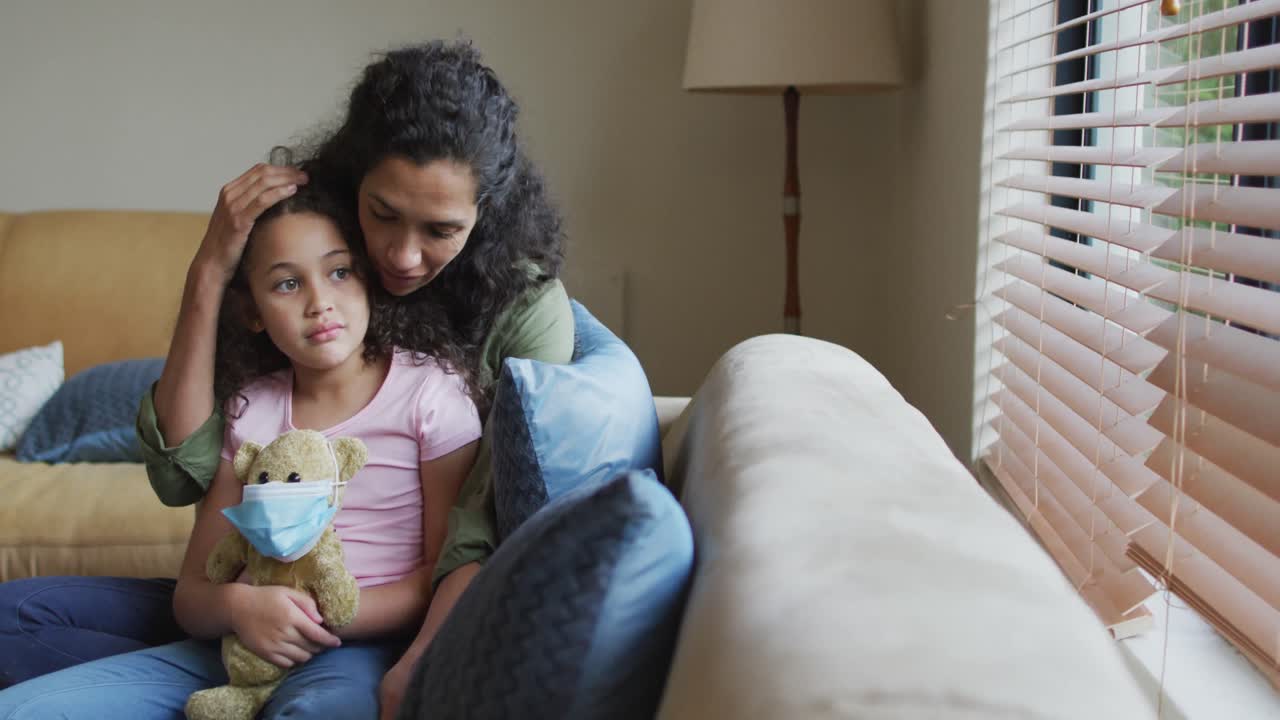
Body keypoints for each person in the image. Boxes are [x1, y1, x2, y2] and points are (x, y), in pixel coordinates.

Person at [0, 39, 574, 718]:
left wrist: (413, 665)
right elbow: (179, 475)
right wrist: (210, 270)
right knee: (20, 617)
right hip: (247, 597)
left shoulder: (483, 346)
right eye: (383, 216)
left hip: (368, 623)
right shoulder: (315, 255)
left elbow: (467, 538)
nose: (402, 255)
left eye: (441, 230)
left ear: (485, 218)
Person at [0, 168, 483, 718]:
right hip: (236, 644)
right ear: (252, 311)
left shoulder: (430, 394)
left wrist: (318, 617)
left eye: (340, 272)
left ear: (368, 277)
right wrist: (239, 605)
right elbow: (193, 595)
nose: (319, 302)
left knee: (316, 710)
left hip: (352, 647)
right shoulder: (251, 409)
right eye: (286, 283)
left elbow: (444, 574)